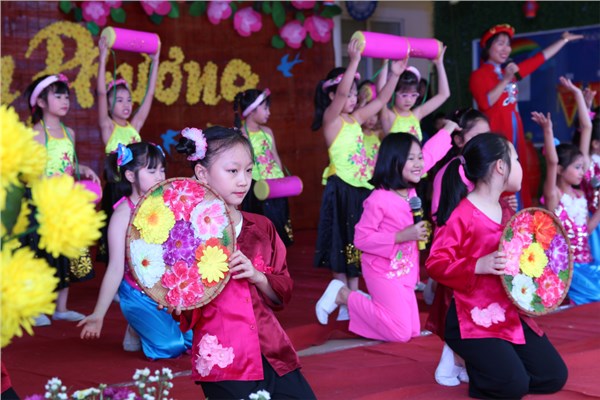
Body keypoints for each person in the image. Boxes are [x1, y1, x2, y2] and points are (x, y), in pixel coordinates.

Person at [173, 126, 316, 399]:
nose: (243, 181)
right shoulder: (186, 235)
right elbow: (185, 309)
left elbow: (283, 291)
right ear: (202, 173)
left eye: (249, 170)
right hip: (223, 357)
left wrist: (258, 276)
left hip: (271, 349)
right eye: (232, 171)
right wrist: (177, 300)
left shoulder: (262, 227)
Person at [427, 133, 567, 399]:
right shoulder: (462, 213)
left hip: (507, 308)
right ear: (500, 166)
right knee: (513, 386)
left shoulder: (506, 210)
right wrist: (477, 265)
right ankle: (464, 358)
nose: (520, 165)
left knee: (553, 376)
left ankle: (487, 361)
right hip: (470, 314)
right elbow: (435, 263)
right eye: (516, 159)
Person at [314, 121, 457, 336]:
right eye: (411, 158)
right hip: (382, 271)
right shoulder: (378, 199)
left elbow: (430, 154)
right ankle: (344, 294)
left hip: (405, 271)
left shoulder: (409, 189)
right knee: (401, 333)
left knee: (412, 331)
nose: (419, 163)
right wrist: (401, 236)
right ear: (394, 162)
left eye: (419, 158)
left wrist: (448, 130)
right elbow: (361, 239)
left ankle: (371, 304)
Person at [311, 38, 406, 313]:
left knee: (357, 241)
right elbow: (341, 95)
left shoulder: (356, 119)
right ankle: (341, 294)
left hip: (361, 188)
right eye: (348, 93)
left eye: (355, 95)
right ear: (332, 96)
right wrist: (353, 61)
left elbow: (382, 100)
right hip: (341, 187)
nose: (352, 99)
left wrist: (395, 74)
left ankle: (351, 297)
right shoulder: (331, 119)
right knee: (340, 241)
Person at [79, 142, 193, 359]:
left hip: (166, 290)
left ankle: (145, 326)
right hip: (137, 292)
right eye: (151, 170)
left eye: (162, 169)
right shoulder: (123, 214)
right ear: (130, 176)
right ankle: (136, 327)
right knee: (171, 347)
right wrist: (98, 314)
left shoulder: (166, 203)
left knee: (197, 340)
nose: (160, 176)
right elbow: (115, 268)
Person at [470, 24, 583, 208]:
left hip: (516, 132)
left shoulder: (509, 73)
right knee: (500, 171)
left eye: (508, 44)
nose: (506, 48)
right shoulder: (479, 75)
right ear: (488, 47)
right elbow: (485, 103)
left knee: (518, 172)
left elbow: (539, 59)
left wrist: (563, 40)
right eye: (500, 43)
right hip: (498, 132)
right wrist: (506, 79)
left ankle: (520, 215)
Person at [23, 73, 101, 326]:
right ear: (41, 102)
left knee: (64, 255)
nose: (65, 100)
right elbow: (31, 173)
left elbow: (67, 164)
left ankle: (61, 308)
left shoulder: (70, 132)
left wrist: (83, 169)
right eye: (58, 96)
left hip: (64, 202)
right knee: (41, 255)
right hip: (42, 202)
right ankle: (35, 308)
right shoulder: (35, 133)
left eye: (66, 96)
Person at [534, 77, 600, 305]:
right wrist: (547, 131)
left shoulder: (580, 195)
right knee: (594, 297)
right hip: (567, 268)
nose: (583, 172)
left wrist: (578, 94)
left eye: (583, 167)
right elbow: (552, 162)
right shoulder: (554, 195)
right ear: (562, 170)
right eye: (577, 167)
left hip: (589, 266)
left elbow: (586, 230)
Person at [97, 35, 160, 263]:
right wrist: (103, 56)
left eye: (128, 99)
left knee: (138, 237)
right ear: (109, 104)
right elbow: (101, 93)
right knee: (117, 240)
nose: (126, 104)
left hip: (137, 189)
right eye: (119, 100)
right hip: (117, 189)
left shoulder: (135, 126)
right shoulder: (108, 127)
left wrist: (156, 60)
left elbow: (149, 94)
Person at [233, 88, 294, 246]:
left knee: (279, 222)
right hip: (256, 186)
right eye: (265, 108)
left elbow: (275, 156)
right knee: (261, 226)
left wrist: (282, 181)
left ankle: (278, 255)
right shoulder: (241, 135)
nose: (269, 112)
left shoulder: (267, 132)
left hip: (275, 184)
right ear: (252, 110)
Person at [376, 48, 450, 140]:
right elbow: (381, 93)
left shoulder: (416, 114)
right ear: (394, 93)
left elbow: (444, 95)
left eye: (414, 95)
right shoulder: (388, 116)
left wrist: (439, 64)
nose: (409, 100)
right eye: (404, 95)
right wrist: (385, 62)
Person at [357, 80, 382, 166]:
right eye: (367, 114)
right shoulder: (356, 132)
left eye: (375, 114)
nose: (371, 119)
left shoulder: (379, 133)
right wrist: (362, 102)